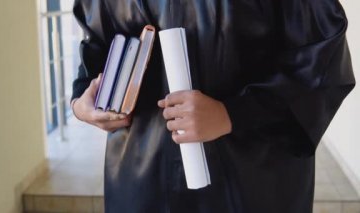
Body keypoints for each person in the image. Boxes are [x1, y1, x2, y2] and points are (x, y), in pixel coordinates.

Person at [70, 0, 355, 212]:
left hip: (250, 176)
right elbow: (98, 46)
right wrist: (82, 101)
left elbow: (322, 62)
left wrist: (233, 114)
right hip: (140, 172)